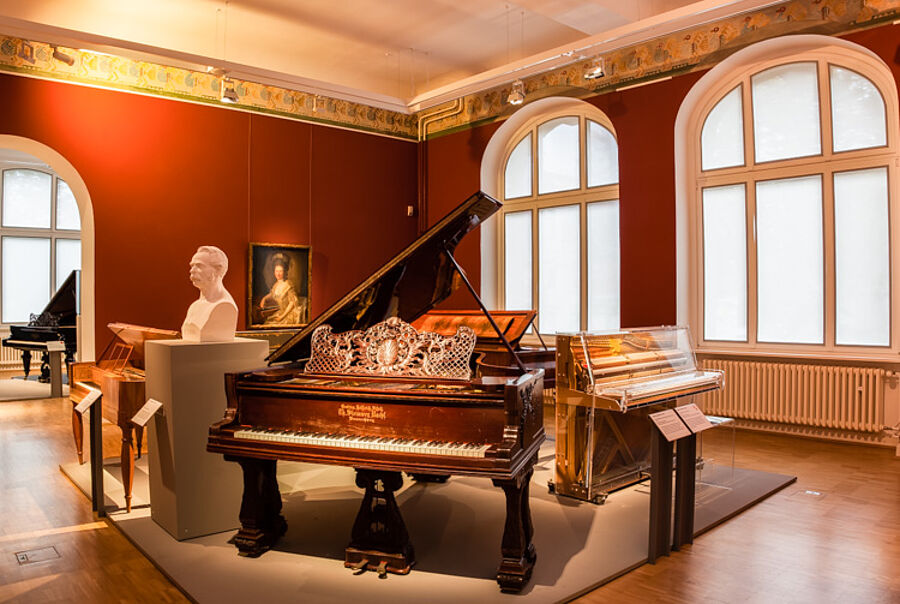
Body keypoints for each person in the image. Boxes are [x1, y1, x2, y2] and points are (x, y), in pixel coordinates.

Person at [181, 245, 238, 341]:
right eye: (192, 266)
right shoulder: (195, 306)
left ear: (218, 270)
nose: (192, 270)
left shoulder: (225, 306)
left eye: (199, 266)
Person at [258, 253, 307, 325]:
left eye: (280, 271)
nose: (278, 274)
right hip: (279, 312)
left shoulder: (288, 285)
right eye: (276, 271)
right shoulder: (276, 284)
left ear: (285, 272)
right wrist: (264, 299)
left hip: (287, 314)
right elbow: (272, 294)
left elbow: (292, 303)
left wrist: (282, 316)